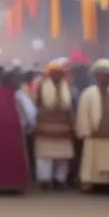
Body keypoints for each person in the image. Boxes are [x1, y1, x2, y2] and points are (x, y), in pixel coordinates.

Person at [75, 59, 109, 190]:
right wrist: (86, 131)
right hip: (94, 135)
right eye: (100, 74)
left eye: (106, 75)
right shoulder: (88, 93)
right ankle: (93, 184)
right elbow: (83, 114)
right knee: (93, 161)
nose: (103, 77)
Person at [33, 60, 75, 189]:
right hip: (45, 126)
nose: (56, 75)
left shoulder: (67, 87)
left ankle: (59, 180)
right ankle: (45, 180)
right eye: (53, 72)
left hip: (63, 127)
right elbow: (35, 104)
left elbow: (70, 106)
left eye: (58, 73)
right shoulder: (40, 86)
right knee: (44, 155)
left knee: (62, 156)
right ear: (49, 73)